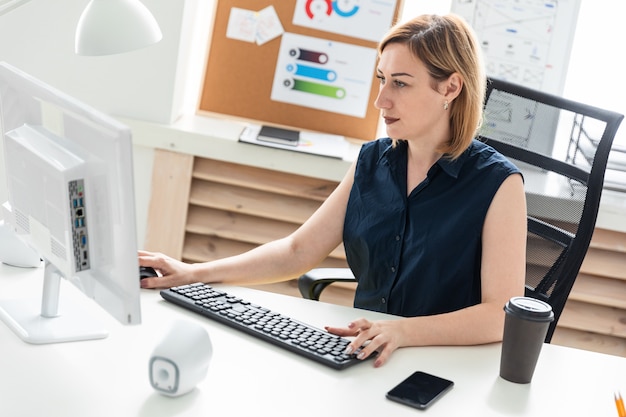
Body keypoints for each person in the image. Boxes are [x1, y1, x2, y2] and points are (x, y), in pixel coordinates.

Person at [139, 14, 527, 368]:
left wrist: (405, 332)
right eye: (381, 79)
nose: (381, 100)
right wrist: (194, 273)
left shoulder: (498, 184)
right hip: (367, 354)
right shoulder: (373, 162)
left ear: (451, 87)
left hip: (444, 366)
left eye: (401, 84)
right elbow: (297, 251)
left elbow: (500, 314)